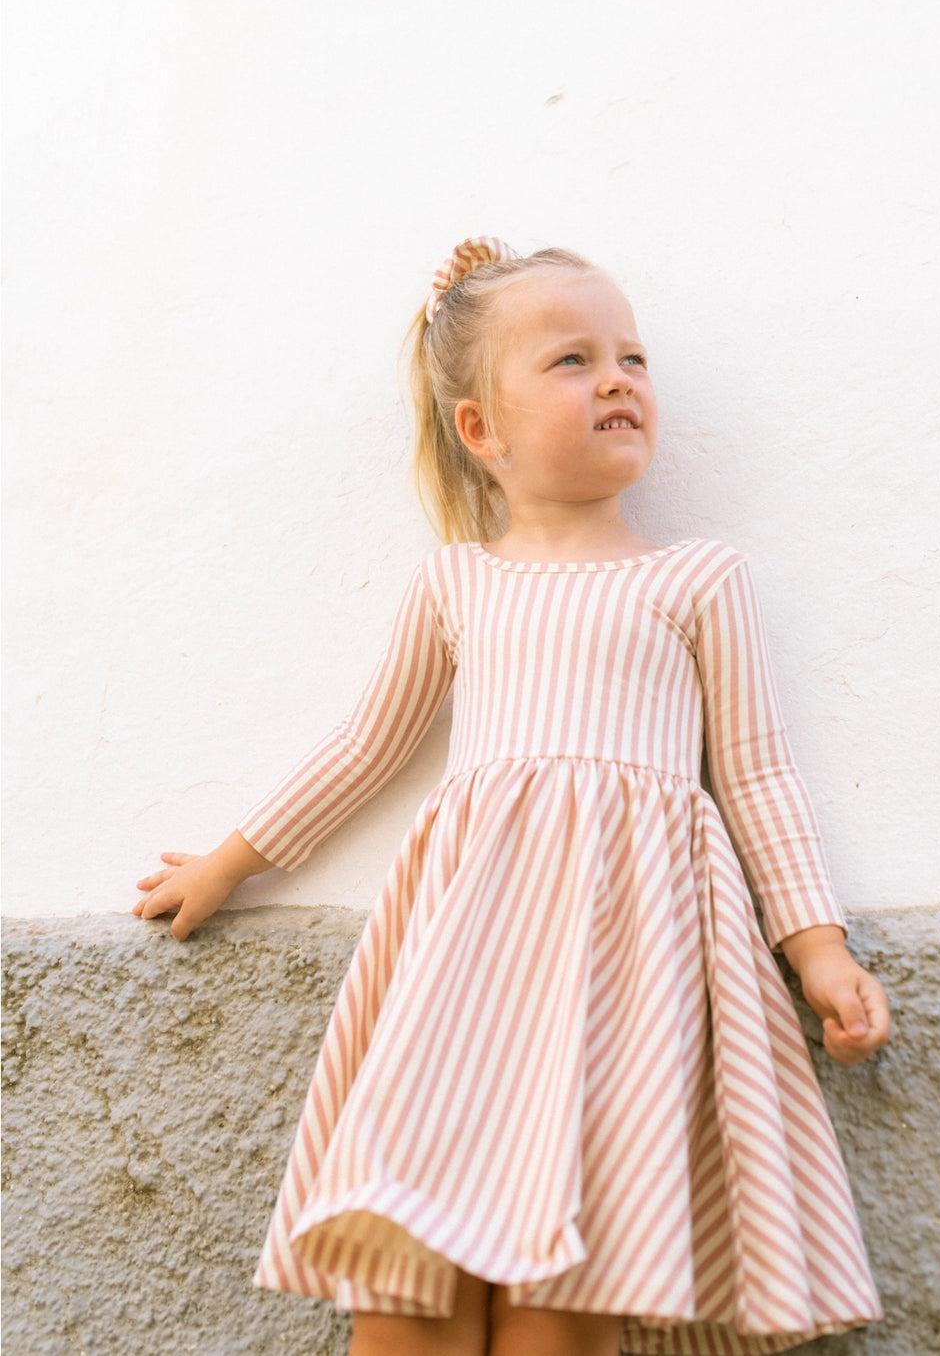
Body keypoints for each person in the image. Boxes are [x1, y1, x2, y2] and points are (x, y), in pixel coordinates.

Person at [135, 237, 890, 1356]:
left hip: (627, 969)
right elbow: (364, 747)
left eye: (632, 356)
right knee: (414, 1251)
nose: (619, 378)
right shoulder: (456, 582)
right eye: (573, 361)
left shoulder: (696, 580)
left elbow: (757, 774)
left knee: (570, 1268)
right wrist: (226, 863)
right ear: (479, 429)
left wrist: (816, 948)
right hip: (468, 965)